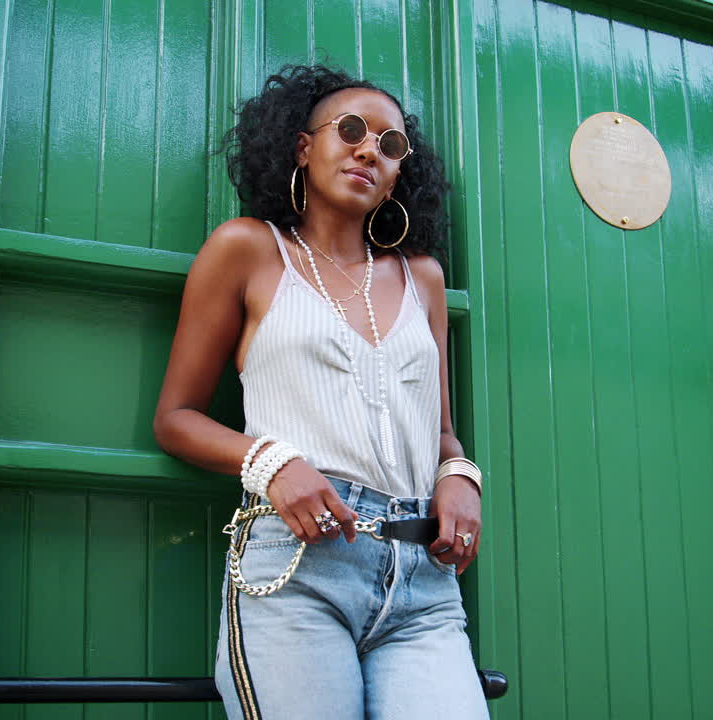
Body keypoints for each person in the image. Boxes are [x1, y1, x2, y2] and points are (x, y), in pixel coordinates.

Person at [153, 64, 488, 719]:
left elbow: (439, 429)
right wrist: (272, 462)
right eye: (353, 130)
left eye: (391, 146)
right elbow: (176, 418)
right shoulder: (247, 251)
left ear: (398, 175)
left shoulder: (421, 278)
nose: (370, 149)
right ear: (303, 147)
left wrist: (461, 476)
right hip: (297, 565)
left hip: (422, 581)